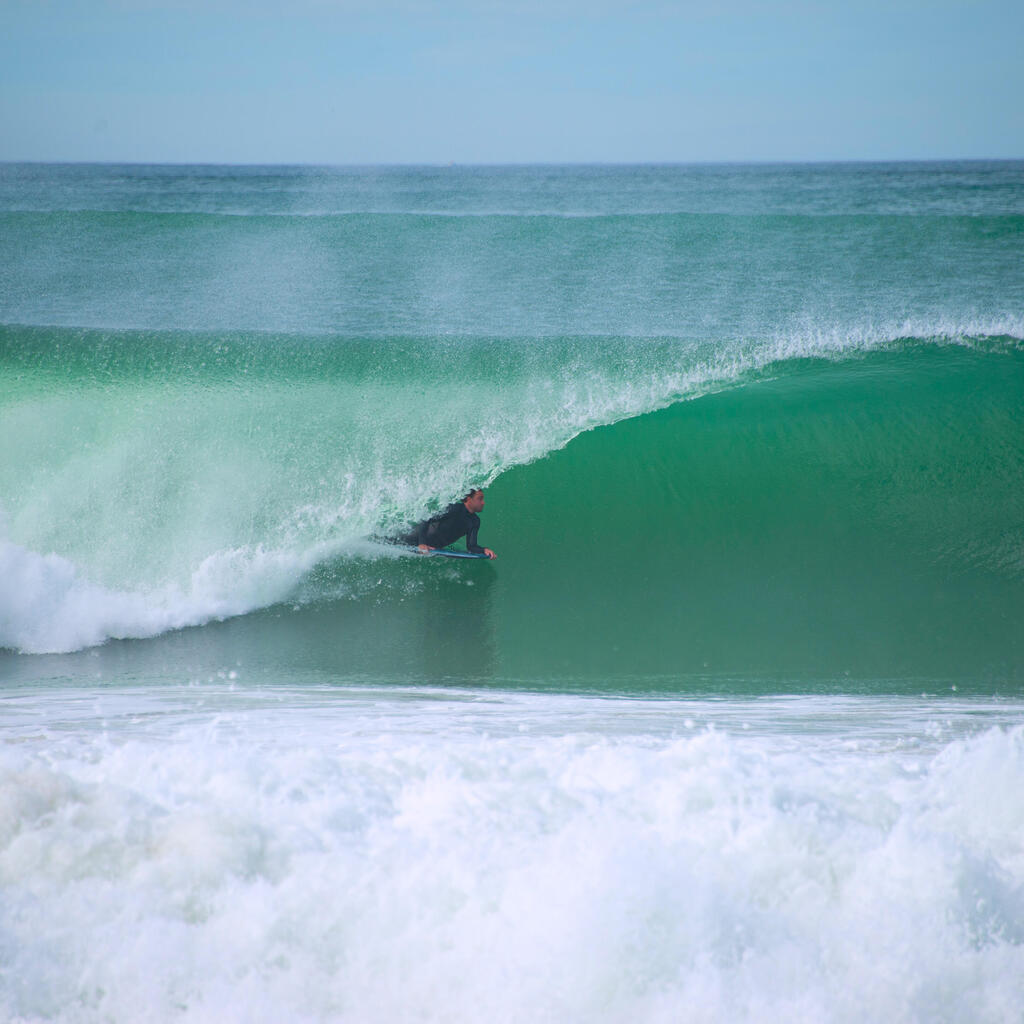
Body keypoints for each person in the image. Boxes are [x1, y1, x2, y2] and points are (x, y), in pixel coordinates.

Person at [401, 488, 496, 559]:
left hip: (432, 546)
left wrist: (484, 550)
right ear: (468, 499)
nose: (483, 503)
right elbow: (426, 519)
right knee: (389, 541)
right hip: (413, 537)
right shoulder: (454, 509)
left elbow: (471, 546)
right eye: (480, 499)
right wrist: (422, 543)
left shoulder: (475, 521)